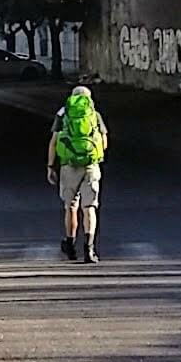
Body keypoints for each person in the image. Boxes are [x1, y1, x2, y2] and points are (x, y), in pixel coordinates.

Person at [49, 85, 108, 263]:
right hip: (91, 165)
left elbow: (54, 142)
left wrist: (51, 166)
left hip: (69, 166)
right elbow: (104, 142)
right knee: (89, 208)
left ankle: (70, 245)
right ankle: (89, 249)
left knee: (71, 207)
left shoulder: (63, 114)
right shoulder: (94, 115)